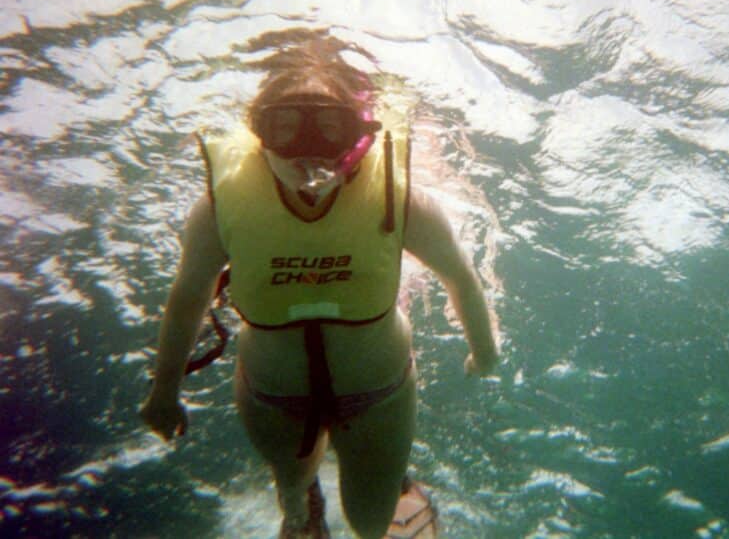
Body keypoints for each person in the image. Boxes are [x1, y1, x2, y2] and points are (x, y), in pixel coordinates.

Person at [139, 30, 500, 539]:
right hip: (271, 395)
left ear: (359, 135)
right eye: (286, 126)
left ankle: (385, 488)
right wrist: (163, 391)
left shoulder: (402, 200)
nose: (309, 151)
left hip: (379, 393)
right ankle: (302, 500)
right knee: (292, 496)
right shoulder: (218, 209)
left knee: (371, 525)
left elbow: (460, 278)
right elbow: (185, 302)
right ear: (258, 131)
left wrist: (484, 351)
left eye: (330, 127)